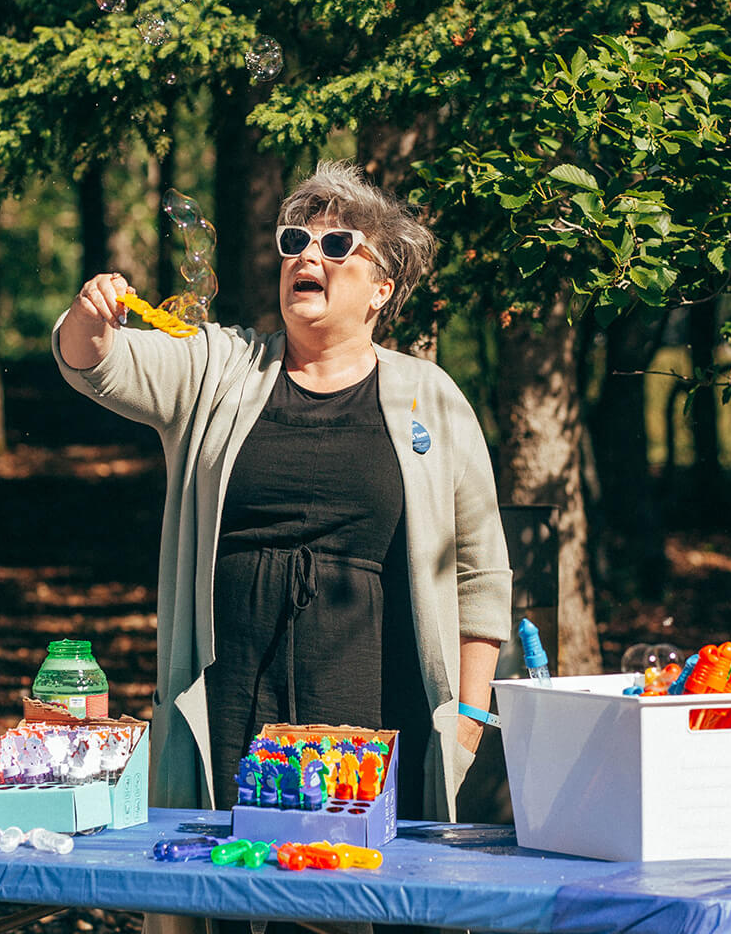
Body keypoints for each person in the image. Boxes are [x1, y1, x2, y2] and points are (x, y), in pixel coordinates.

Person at [55, 161, 511, 822]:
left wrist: (469, 718)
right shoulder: (218, 365)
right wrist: (90, 315)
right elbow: (98, 363)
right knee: (232, 886)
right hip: (233, 695)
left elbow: (478, 574)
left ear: (380, 289)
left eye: (335, 246)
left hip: (374, 701)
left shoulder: (430, 398)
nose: (308, 256)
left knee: (354, 899)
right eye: (295, 241)